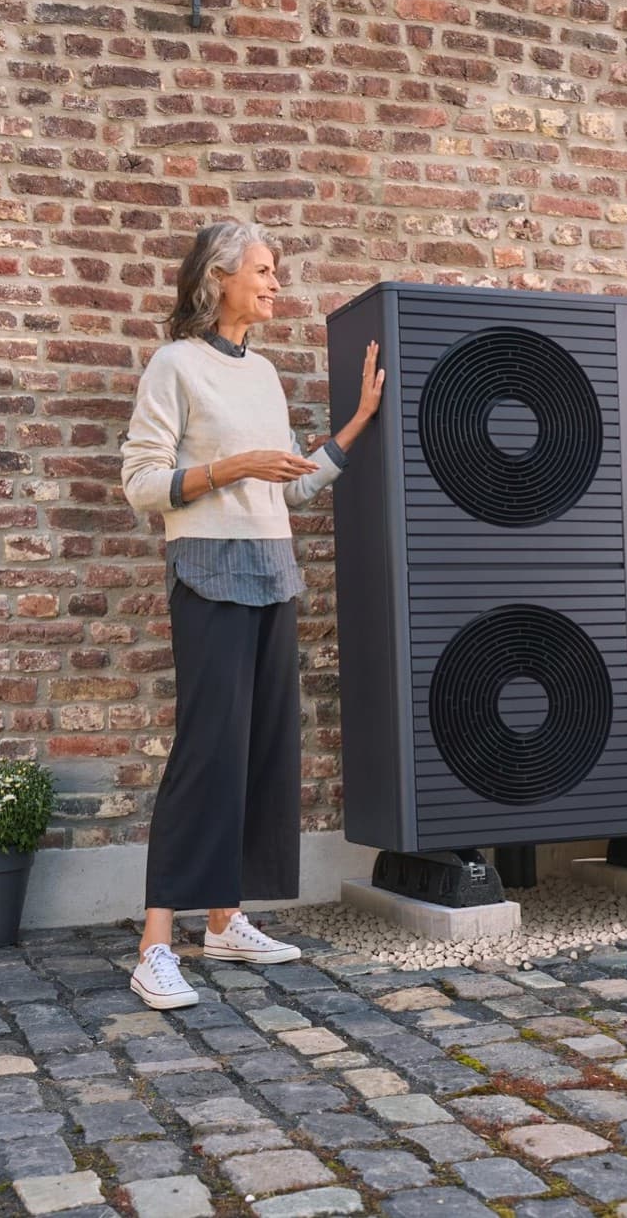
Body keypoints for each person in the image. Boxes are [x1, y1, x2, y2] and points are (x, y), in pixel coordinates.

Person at [119, 220, 384, 1010]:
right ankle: (154, 944)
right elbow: (142, 484)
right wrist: (233, 466)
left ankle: (224, 919)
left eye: (275, 272)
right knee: (206, 752)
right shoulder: (175, 365)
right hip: (208, 574)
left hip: (273, 574)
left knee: (260, 751)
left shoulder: (263, 374)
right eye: (263, 271)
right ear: (220, 278)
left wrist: (356, 423)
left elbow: (289, 486)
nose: (275, 284)